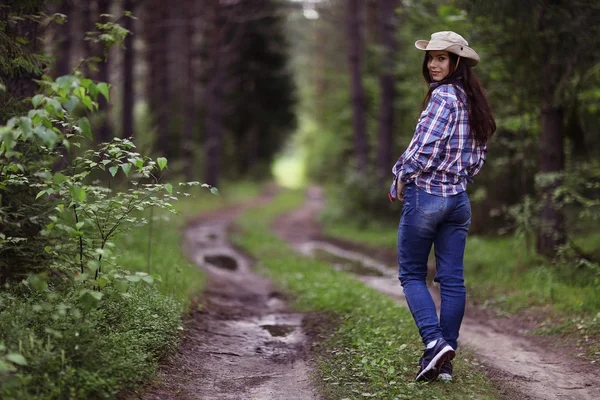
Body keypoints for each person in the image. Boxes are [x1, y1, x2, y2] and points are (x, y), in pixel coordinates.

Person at [388, 31, 496, 382]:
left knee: (411, 274)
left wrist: (401, 175)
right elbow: (477, 157)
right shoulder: (472, 99)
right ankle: (443, 361)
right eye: (431, 58)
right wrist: (458, 177)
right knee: (452, 280)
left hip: (428, 197)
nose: (434, 64)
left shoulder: (444, 97)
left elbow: (425, 146)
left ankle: (434, 342)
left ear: (457, 63)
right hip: (459, 200)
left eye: (442, 58)